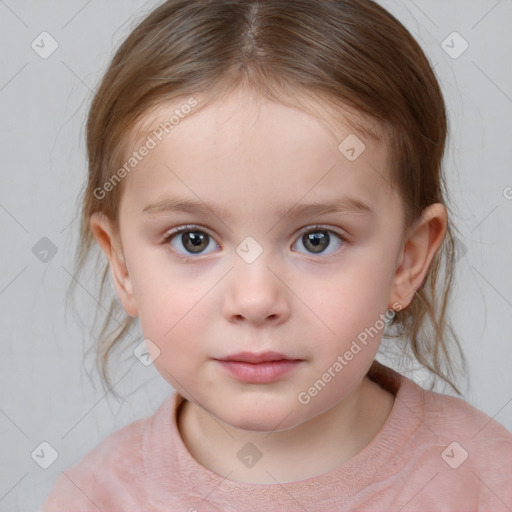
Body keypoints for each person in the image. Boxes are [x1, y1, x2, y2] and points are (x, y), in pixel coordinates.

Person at [40, 0, 512, 510]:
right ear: (123, 264)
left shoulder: (485, 481)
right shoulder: (96, 498)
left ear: (407, 260)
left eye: (317, 239)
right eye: (193, 240)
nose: (256, 299)